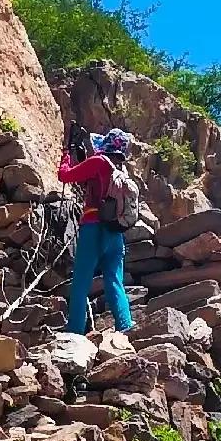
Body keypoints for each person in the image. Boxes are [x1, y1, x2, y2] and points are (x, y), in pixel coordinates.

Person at [57, 127, 137, 335]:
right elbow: (91, 183)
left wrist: (66, 155)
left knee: (81, 280)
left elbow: (65, 176)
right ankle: (125, 325)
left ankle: (74, 331)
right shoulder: (120, 170)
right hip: (115, 230)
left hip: (93, 226)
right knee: (114, 279)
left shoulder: (98, 162)